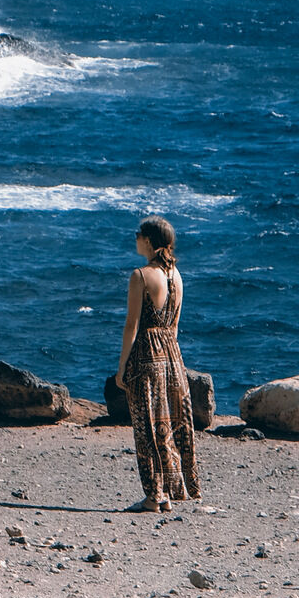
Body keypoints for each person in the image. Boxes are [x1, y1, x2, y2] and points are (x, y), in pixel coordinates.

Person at [117, 214, 199, 512]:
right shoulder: (177, 276)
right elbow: (174, 325)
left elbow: (132, 325)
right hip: (172, 354)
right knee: (171, 423)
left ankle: (154, 495)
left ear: (149, 241)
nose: (135, 239)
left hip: (146, 354)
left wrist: (122, 365)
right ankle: (173, 490)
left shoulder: (141, 276)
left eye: (138, 235)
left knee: (146, 425)